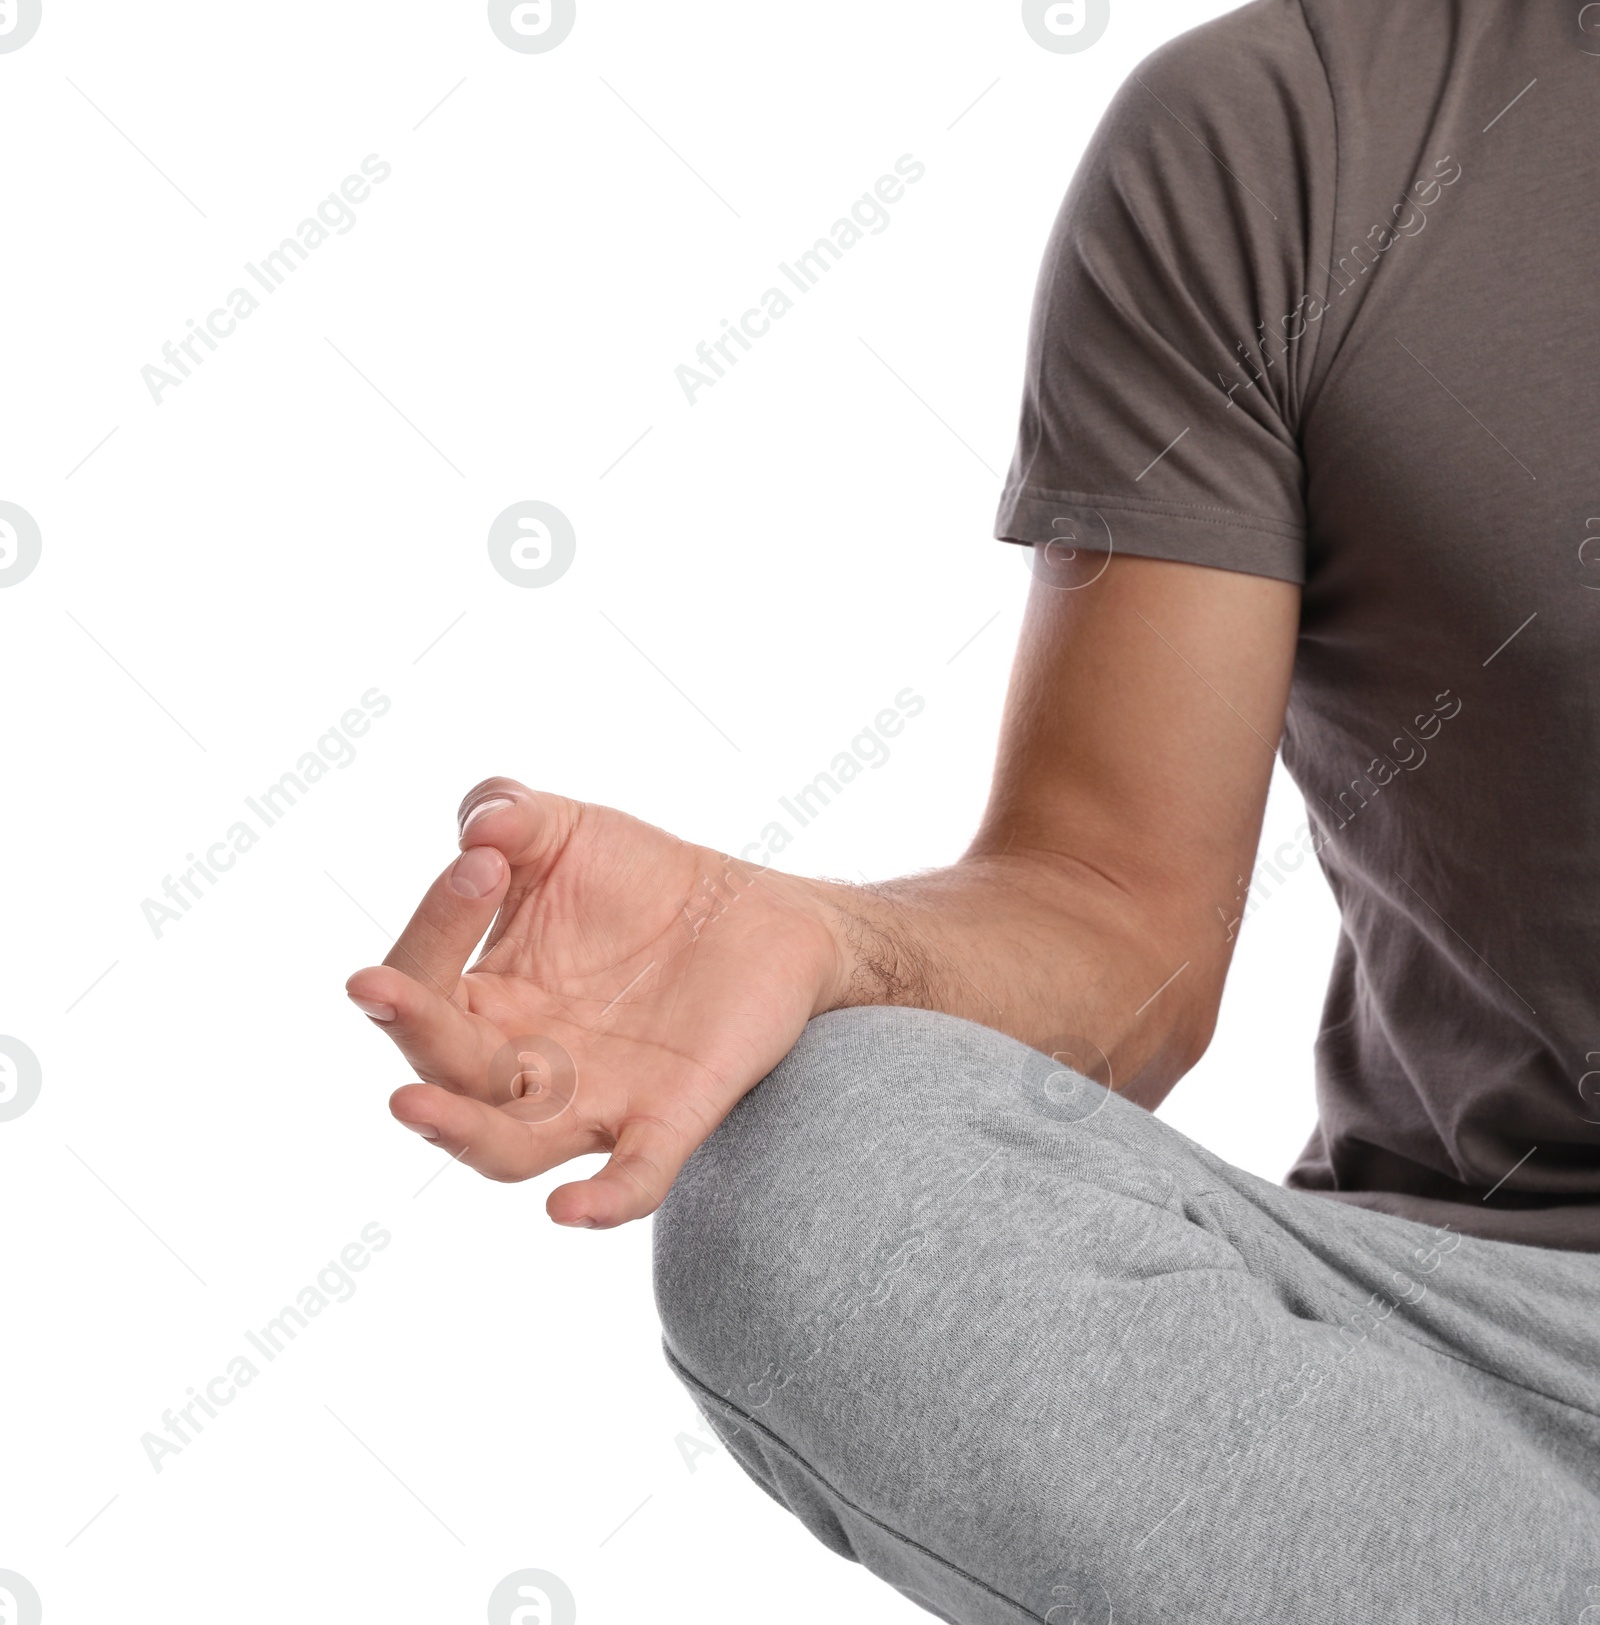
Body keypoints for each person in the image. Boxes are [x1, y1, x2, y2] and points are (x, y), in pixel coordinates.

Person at [345, 0, 1600, 1616]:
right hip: (1498, 1351)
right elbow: (1114, 902)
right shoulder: (1292, 132)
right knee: (833, 1161)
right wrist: (803, 938)